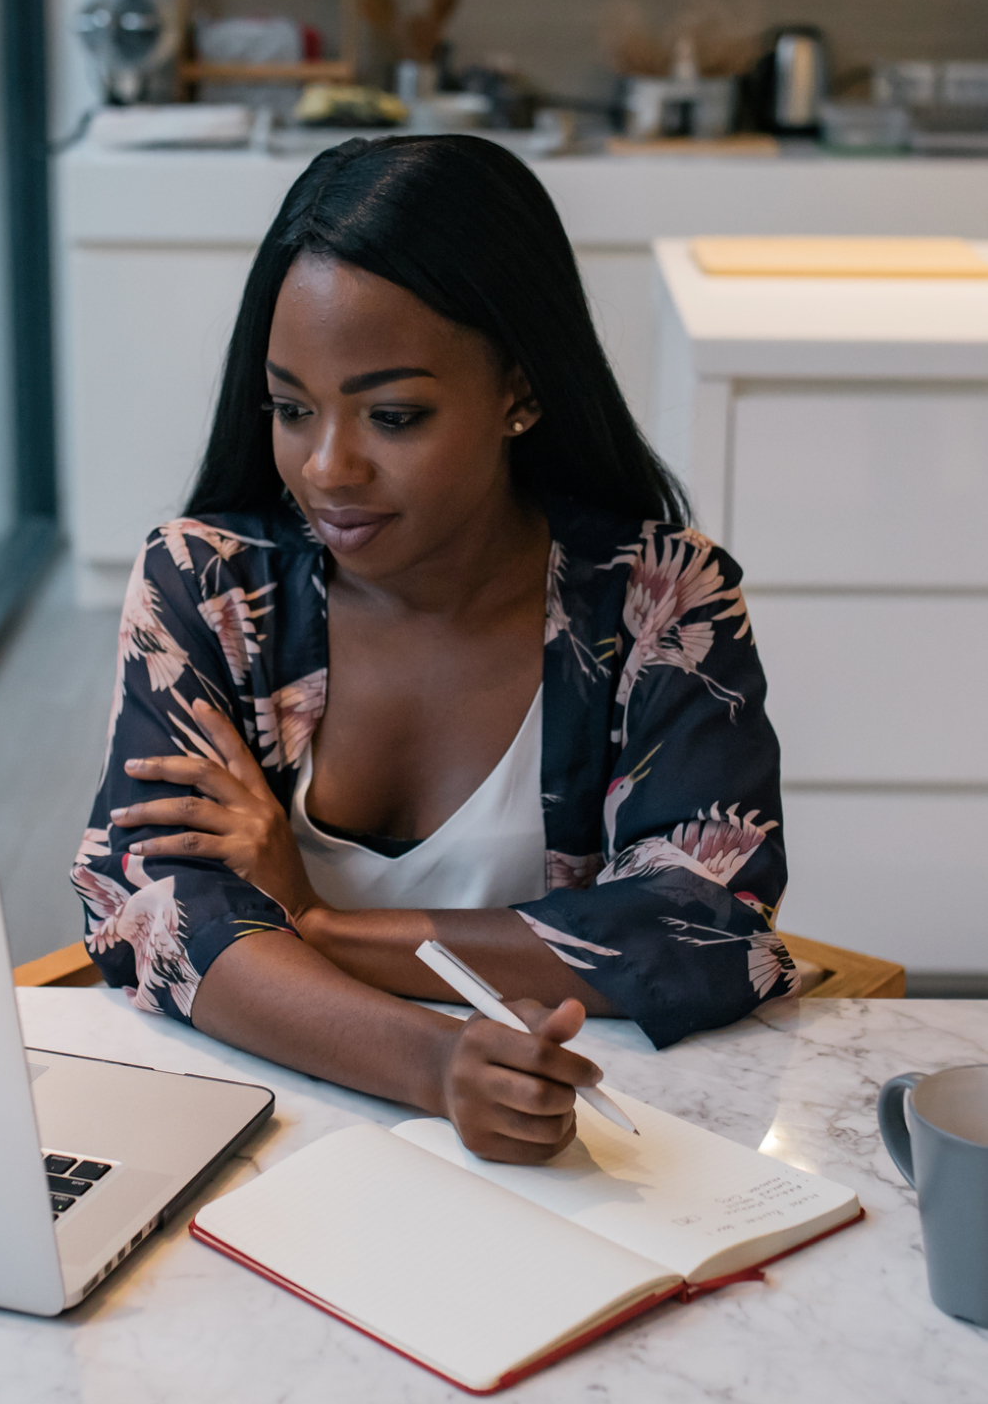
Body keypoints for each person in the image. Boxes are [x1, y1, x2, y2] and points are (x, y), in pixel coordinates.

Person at [72, 135, 793, 1165]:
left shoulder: (658, 602)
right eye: (289, 407)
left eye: (393, 414)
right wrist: (435, 1062)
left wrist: (312, 922)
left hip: (590, 1135)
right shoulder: (207, 588)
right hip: (263, 1128)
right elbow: (158, 908)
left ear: (521, 392)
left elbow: (705, 924)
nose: (327, 466)